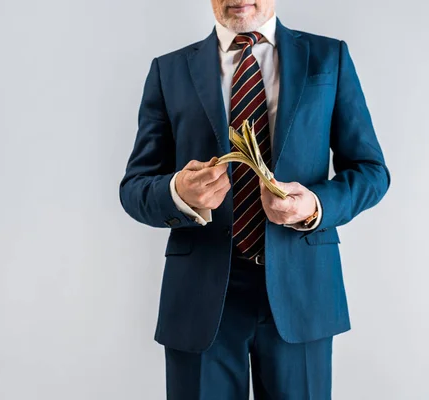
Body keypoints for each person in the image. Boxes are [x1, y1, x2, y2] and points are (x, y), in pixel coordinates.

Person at [119, 0, 391, 398]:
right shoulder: (170, 70)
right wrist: (179, 192)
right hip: (201, 297)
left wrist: (314, 205)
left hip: (303, 292)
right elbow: (135, 187)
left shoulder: (328, 57)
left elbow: (371, 171)